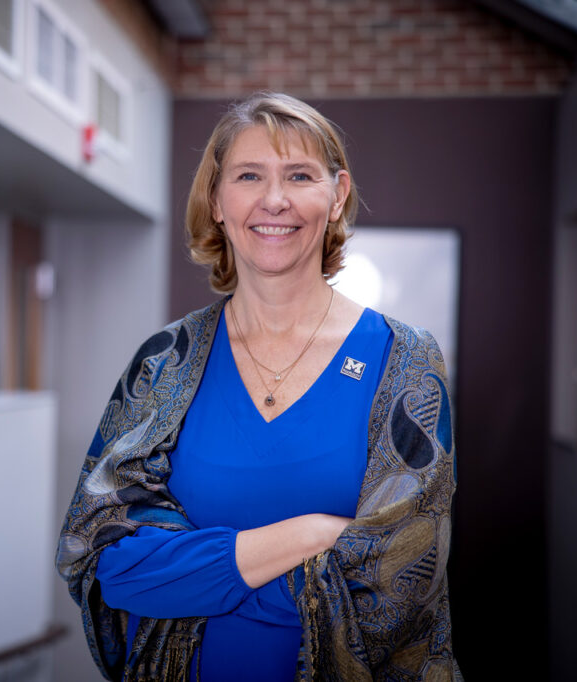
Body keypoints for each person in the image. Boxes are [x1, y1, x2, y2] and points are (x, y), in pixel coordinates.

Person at [57, 92, 460, 681]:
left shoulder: (404, 360)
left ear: (337, 194)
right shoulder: (166, 362)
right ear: (218, 200)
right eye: (250, 176)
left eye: (300, 175)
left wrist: (197, 582)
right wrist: (311, 534)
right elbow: (102, 559)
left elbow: (396, 585)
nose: (275, 200)